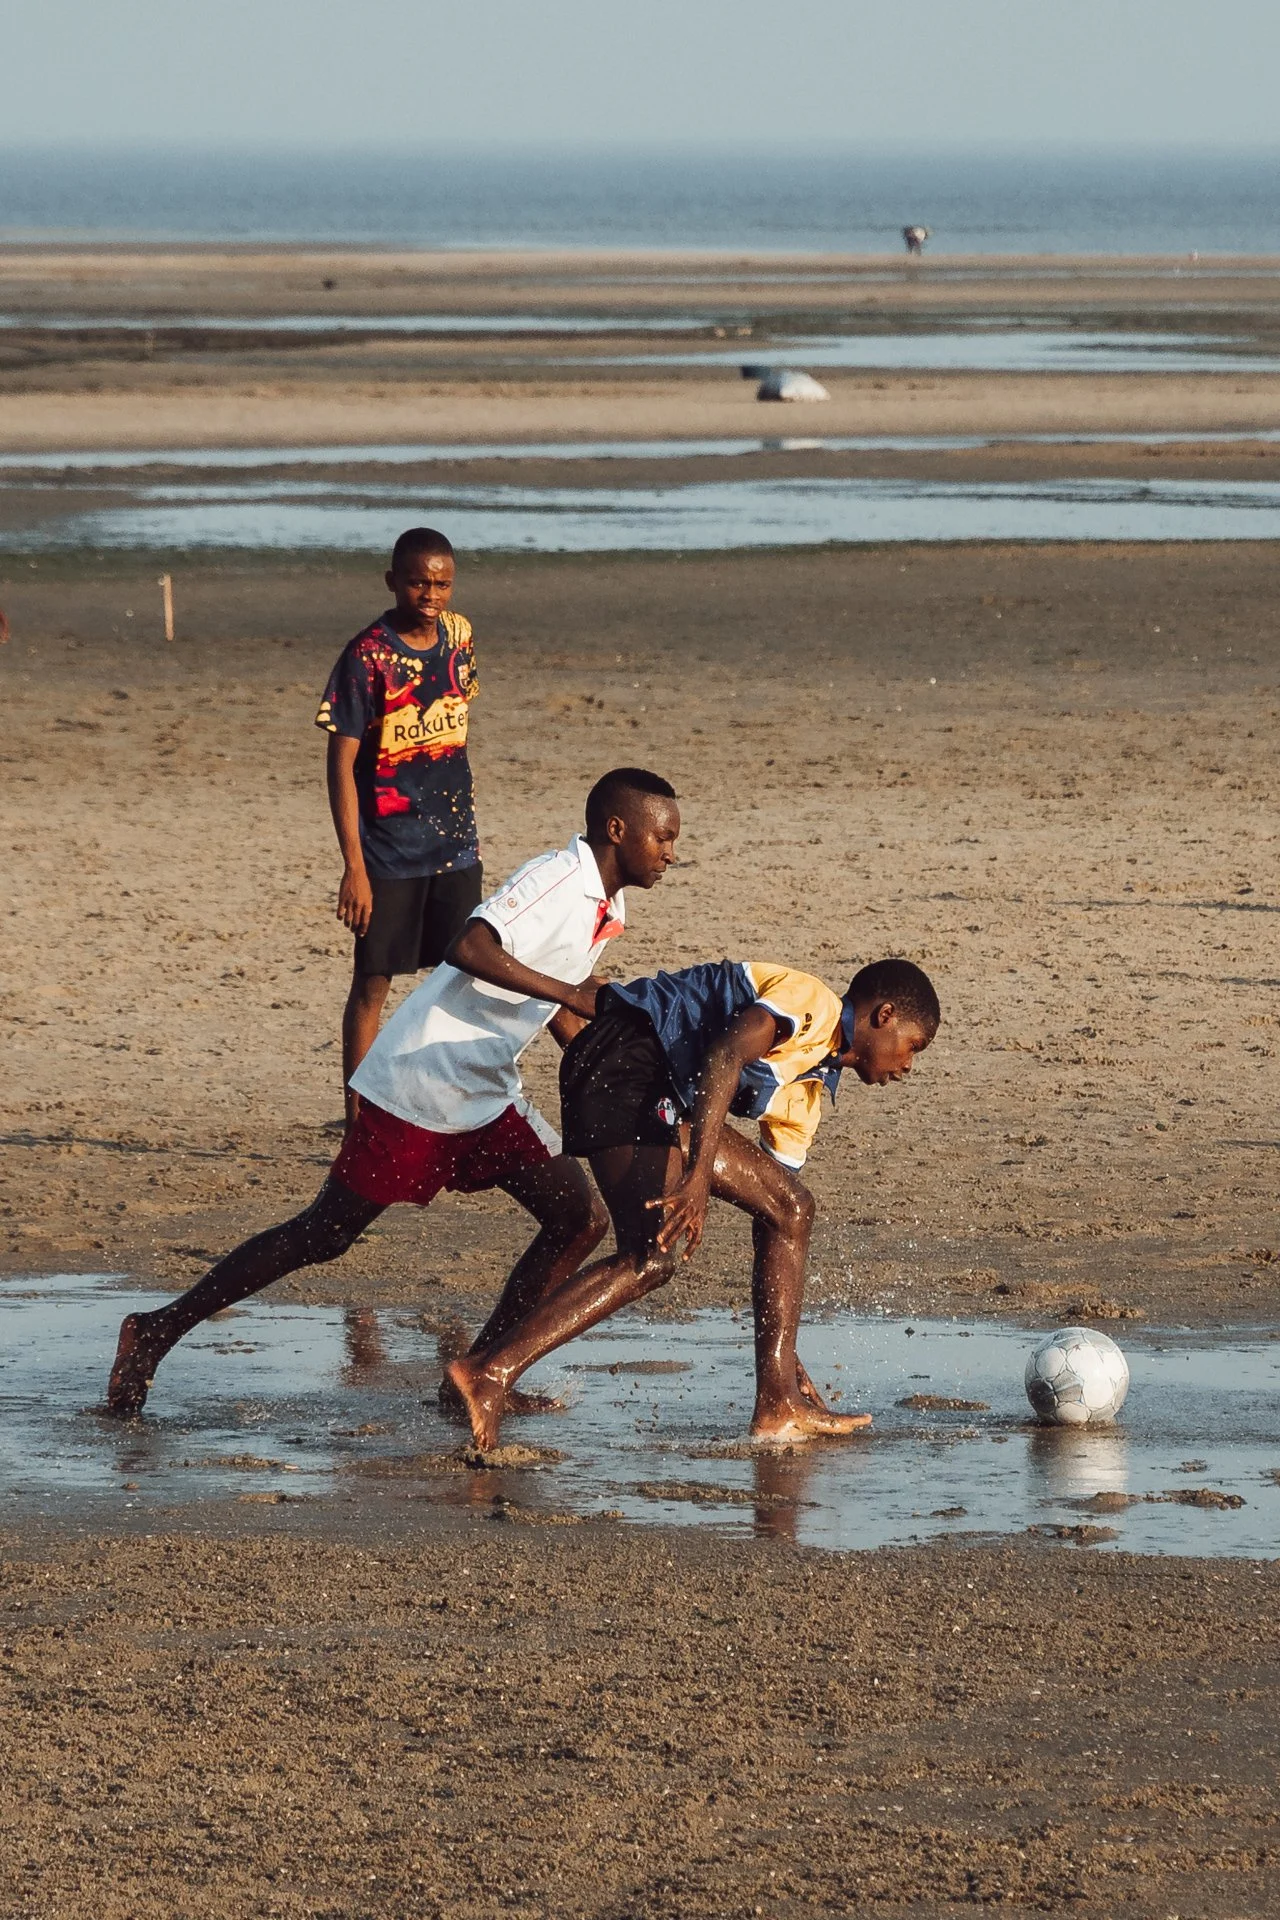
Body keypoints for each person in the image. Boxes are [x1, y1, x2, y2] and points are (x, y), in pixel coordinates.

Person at [106, 770, 681, 1417]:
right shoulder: (555, 879)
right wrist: (573, 994)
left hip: (485, 1087)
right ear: (617, 830)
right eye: (662, 837)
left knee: (578, 1217)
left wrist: (624, 1075)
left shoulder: (608, 904)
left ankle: (481, 1374)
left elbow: (560, 1007)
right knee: (325, 1233)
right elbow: (467, 946)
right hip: (423, 1080)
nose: (670, 853)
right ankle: (155, 1330)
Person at [445, 956, 940, 1450]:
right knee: (649, 1259)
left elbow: (773, 1225)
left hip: (653, 1092)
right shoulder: (813, 1004)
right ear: (885, 1015)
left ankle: (777, 1402)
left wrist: (783, 1362)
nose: (908, 1065)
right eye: (913, 1047)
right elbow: (725, 1055)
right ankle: (488, 1372)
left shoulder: (807, 1095)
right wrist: (697, 1177)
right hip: (625, 1063)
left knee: (790, 1209)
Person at [317, 526, 481, 1132]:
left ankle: (444, 1112)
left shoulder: (461, 637)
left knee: (462, 980)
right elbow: (340, 766)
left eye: (441, 583)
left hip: (456, 846)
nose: (430, 594)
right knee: (373, 984)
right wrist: (353, 866)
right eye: (418, 582)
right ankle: (359, 1123)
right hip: (387, 853)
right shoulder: (367, 657)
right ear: (393, 582)